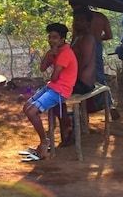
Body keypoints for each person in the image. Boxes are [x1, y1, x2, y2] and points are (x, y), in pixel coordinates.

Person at [21, 22, 77, 161]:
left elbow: (54, 76)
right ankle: (44, 140)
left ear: (62, 39)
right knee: (26, 107)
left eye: (55, 37)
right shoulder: (56, 51)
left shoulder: (65, 53)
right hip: (53, 86)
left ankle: (44, 141)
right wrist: (49, 54)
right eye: (50, 37)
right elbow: (42, 68)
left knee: (32, 111)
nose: (51, 40)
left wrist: (54, 58)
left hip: (60, 90)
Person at [60, 11, 96, 146]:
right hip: (75, 80)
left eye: (81, 20)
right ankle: (67, 126)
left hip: (83, 82)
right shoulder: (77, 37)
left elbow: (84, 62)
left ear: (88, 23)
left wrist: (68, 79)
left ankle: (69, 128)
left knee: (55, 95)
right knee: (53, 94)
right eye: (76, 20)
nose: (77, 23)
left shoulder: (88, 38)